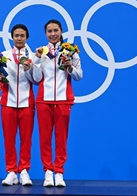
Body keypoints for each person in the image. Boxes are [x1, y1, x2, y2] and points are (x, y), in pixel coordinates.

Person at [33, 19, 83, 187]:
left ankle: (59, 172)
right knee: (44, 138)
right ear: (45, 33)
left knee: (61, 138)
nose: (53, 34)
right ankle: (48, 172)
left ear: (61, 31)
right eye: (49, 31)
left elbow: (79, 76)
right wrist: (38, 60)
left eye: (56, 30)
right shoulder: (41, 52)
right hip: (44, 100)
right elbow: (36, 78)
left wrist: (70, 67)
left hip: (63, 99)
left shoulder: (70, 51)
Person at [0, 24, 37, 186]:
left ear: (27, 37)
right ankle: (11, 171)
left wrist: (29, 69)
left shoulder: (33, 57)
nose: (19, 38)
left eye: (22, 36)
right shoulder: (3, 56)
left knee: (26, 139)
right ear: (12, 37)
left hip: (27, 103)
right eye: (16, 35)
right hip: (8, 102)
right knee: (9, 139)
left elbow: (37, 79)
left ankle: (24, 170)